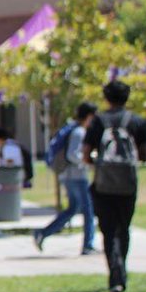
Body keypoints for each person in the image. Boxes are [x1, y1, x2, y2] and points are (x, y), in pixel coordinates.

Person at [83, 80, 146, 292]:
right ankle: (121, 272)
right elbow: (143, 155)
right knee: (124, 228)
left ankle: (115, 275)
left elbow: (86, 154)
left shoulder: (98, 122)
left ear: (106, 97)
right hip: (127, 184)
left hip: (104, 184)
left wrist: (99, 164)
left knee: (108, 230)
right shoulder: (136, 122)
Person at [33, 102, 97, 255]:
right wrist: (88, 160)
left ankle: (43, 233)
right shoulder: (79, 132)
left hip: (69, 176)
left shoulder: (73, 129)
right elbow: (72, 154)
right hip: (77, 176)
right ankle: (88, 245)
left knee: (72, 209)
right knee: (88, 210)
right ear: (89, 116)